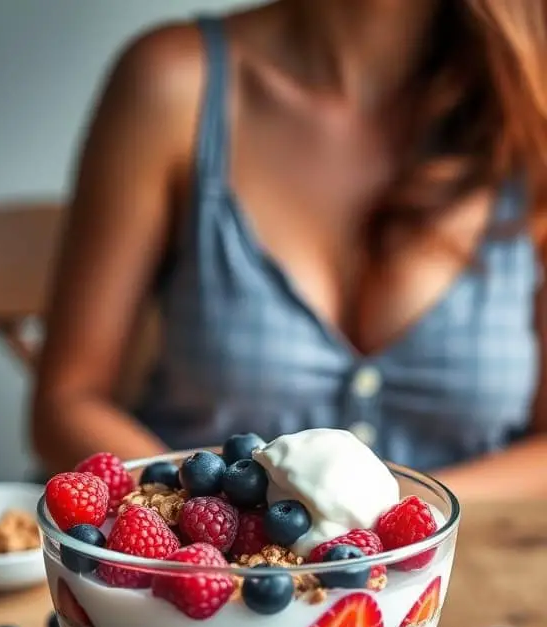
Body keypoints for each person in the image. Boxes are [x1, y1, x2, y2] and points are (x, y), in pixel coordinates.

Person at [32, 0, 547, 500]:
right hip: (209, 578)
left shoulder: (530, 102)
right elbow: (68, 402)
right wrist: (199, 522)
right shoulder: (173, 84)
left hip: (467, 578)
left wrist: (400, 527)